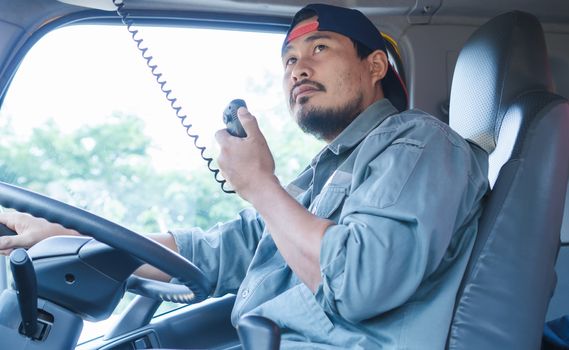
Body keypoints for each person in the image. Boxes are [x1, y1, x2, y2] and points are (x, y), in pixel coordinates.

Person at [0, 3, 489, 349]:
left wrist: (259, 184)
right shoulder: (322, 174)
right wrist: (68, 237)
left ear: (376, 64)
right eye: (289, 61)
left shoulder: (421, 145)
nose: (298, 69)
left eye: (320, 49)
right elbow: (216, 252)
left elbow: (361, 283)